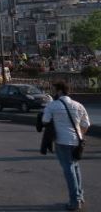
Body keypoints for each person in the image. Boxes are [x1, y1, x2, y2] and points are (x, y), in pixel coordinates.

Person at [41, 81, 91, 211]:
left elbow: (45, 121)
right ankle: (80, 196)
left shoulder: (53, 105)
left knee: (69, 170)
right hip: (77, 142)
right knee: (75, 167)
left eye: (54, 90)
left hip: (62, 142)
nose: (53, 92)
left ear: (59, 91)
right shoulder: (78, 105)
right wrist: (79, 135)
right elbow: (86, 124)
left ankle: (74, 202)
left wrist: (47, 108)